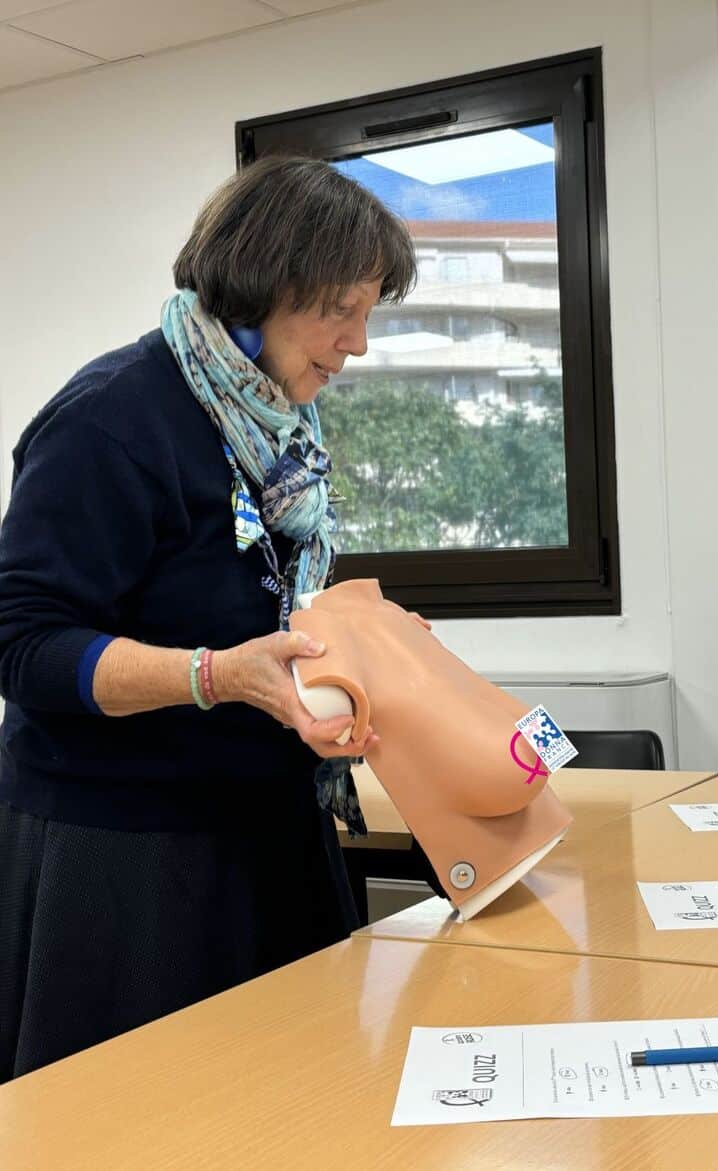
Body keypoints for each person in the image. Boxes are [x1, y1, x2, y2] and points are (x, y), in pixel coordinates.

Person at [0, 155, 416, 1082]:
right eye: (339, 309)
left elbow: (258, 597)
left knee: (288, 1103)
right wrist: (214, 676)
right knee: (140, 1118)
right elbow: (24, 646)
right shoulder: (112, 419)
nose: (356, 343)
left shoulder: (273, 422)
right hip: (128, 854)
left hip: (264, 824)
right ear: (267, 281)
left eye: (369, 311)